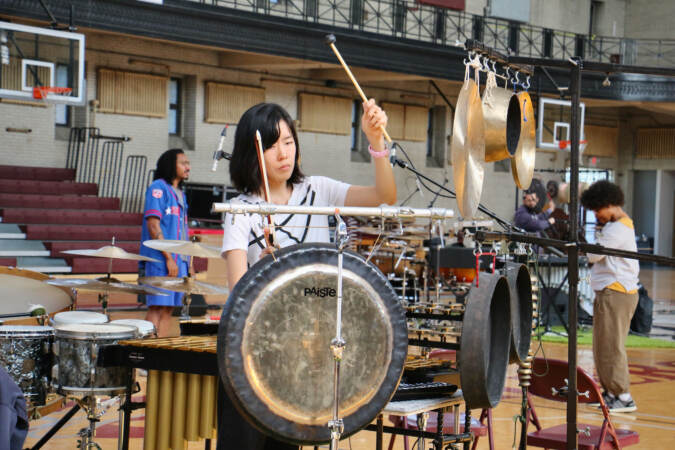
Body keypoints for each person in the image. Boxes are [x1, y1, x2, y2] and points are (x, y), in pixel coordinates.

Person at [219, 100, 396, 449]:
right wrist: (267, 273)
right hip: (253, 355)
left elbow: (384, 198)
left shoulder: (319, 191)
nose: (283, 153)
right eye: (271, 146)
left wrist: (376, 143)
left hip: (304, 353)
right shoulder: (241, 210)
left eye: (288, 141)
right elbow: (238, 293)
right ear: (251, 154)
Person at [581, 180, 640, 413]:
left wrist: (582, 247)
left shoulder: (618, 229)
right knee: (602, 346)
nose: (597, 215)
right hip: (609, 292)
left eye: (598, 210)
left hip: (617, 293)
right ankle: (610, 392)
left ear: (610, 204)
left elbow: (595, 256)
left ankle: (624, 396)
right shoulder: (617, 226)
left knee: (612, 346)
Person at [139, 149, 191, 337]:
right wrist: (169, 258)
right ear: (171, 165)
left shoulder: (180, 194)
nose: (188, 167)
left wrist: (187, 261)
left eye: (188, 163)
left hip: (179, 261)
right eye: (183, 163)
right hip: (161, 260)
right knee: (157, 306)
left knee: (169, 309)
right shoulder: (157, 188)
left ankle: (159, 352)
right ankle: (146, 352)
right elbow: (153, 225)